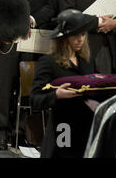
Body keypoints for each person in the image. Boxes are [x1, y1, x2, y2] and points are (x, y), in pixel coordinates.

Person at [0, 0, 56, 150]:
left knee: (30, 84)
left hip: (36, 38)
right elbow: (0, 6)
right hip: (10, 39)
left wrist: (32, 19)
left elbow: (51, 5)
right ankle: (2, 130)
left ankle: (25, 131)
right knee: (6, 85)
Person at [30, 9, 96, 158]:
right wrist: (56, 95)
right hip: (63, 126)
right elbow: (35, 99)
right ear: (63, 37)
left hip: (85, 125)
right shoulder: (48, 62)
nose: (80, 39)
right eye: (75, 35)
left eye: (83, 34)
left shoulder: (87, 61)